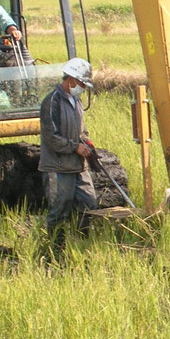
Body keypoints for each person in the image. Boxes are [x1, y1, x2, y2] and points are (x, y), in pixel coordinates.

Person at [39, 57, 98, 232]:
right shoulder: (52, 102)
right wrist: (75, 147)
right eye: (82, 83)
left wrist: (87, 143)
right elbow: (51, 138)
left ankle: (81, 243)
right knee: (59, 211)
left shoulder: (77, 101)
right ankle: (55, 250)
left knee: (89, 205)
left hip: (78, 166)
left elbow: (81, 131)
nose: (84, 87)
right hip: (58, 167)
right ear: (71, 79)